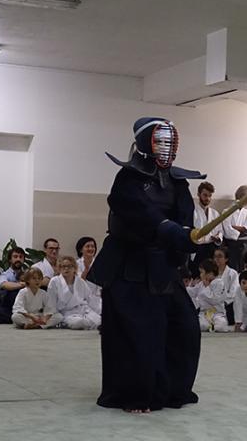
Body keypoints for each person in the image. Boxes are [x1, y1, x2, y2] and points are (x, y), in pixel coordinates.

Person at [89, 117, 202, 413]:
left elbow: (184, 215)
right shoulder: (128, 179)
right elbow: (142, 213)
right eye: (160, 141)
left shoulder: (178, 181)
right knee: (139, 332)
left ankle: (173, 390)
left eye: (169, 142)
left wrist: (191, 236)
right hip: (130, 266)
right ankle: (135, 394)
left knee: (185, 326)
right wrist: (171, 230)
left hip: (163, 265)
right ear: (144, 143)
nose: (166, 148)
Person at [48, 256, 101, 329]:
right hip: (67, 313)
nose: (66, 268)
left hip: (83, 309)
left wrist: (98, 311)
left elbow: (90, 298)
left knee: (99, 320)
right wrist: (57, 317)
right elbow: (51, 303)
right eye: (63, 266)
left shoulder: (80, 281)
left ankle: (91, 323)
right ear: (60, 268)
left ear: (74, 268)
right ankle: (64, 323)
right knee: (79, 322)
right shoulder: (54, 281)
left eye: (69, 266)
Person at [222, 185, 247, 271]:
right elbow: (227, 232)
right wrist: (246, 230)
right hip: (232, 247)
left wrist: (241, 228)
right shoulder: (226, 212)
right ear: (241, 196)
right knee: (233, 271)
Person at [192, 181, 222, 271]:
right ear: (198, 194)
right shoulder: (193, 212)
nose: (208, 198)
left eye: (210, 196)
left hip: (212, 248)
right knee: (197, 274)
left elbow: (220, 230)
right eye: (205, 195)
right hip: (198, 249)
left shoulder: (215, 213)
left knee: (212, 274)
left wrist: (218, 237)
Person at [195, 258, 231, 332]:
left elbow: (214, 300)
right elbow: (193, 291)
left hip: (217, 313)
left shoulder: (219, 283)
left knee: (220, 326)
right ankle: (209, 326)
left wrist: (207, 287)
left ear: (210, 273)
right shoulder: (201, 284)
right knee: (201, 325)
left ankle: (213, 326)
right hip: (204, 314)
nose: (200, 275)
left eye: (201, 272)